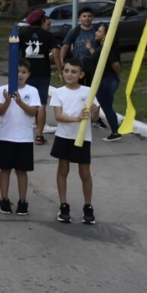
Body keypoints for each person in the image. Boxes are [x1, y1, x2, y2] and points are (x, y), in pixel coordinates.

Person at [50, 59, 100, 224]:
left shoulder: (88, 91)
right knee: (63, 170)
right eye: (66, 71)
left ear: (81, 74)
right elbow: (58, 116)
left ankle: (88, 207)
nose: (69, 74)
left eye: (73, 71)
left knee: (85, 173)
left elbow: (95, 118)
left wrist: (94, 111)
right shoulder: (59, 92)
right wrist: (76, 119)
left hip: (83, 138)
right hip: (64, 137)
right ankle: (63, 205)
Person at [0, 58, 40, 215]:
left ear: (28, 74)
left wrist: (20, 102)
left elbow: (33, 112)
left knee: (21, 171)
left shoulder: (32, 91)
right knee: (5, 169)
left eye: (23, 72)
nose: (20, 75)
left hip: (24, 138)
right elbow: (0, 111)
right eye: (17, 71)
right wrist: (8, 101)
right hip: (5, 136)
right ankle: (4, 199)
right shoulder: (2, 89)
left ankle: (22, 201)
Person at [19, 9, 62, 145]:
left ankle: (21, 132)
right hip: (43, 73)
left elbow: (15, 52)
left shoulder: (23, 34)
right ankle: (39, 135)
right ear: (42, 20)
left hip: (26, 73)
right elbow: (56, 53)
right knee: (41, 104)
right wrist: (59, 70)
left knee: (25, 101)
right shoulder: (47, 35)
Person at [85, 24, 123, 141]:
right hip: (103, 81)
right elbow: (96, 57)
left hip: (106, 81)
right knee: (106, 106)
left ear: (106, 35)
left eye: (99, 31)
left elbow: (115, 64)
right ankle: (115, 130)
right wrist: (89, 47)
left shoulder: (107, 47)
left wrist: (119, 75)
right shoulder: (102, 47)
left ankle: (115, 133)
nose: (96, 33)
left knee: (107, 107)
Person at [60, 7, 97, 85]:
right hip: (77, 66)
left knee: (92, 87)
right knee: (78, 87)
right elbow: (65, 46)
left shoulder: (96, 31)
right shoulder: (74, 31)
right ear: (80, 17)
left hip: (93, 66)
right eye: (84, 16)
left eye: (89, 16)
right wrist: (61, 60)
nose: (87, 18)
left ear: (92, 17)